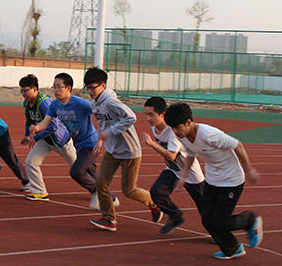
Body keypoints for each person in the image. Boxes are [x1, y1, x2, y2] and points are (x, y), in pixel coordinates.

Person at [164, 102, 263, 259]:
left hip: (231, 180)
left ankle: (249, 220)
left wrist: (249, 169)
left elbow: (238, 145)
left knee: (219, 221)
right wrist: (182, 178)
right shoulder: (181, 136)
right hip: (212, 179)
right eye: (172, 128)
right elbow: (190, 154)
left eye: (177, 127)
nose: (175, 131)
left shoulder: (209, 134)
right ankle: (233, 248)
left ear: (188, 122)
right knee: (207, 220)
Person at [83, 67, 162, 232]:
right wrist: (100, 139)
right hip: (112, 151)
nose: (90, 91)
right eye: (87, 87)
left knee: (129, 190)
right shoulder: (95, 104)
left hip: (129, 151)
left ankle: (154, 204)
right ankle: (109, 219)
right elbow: (103, 124)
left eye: (93, 87)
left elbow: (131, 117)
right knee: (100, 182)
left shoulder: (111, 102)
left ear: (103, 85)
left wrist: (109, 133)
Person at [30, 72, 118, 211]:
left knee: (76, 172)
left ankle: (97, 193)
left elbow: (100, 114)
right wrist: (36, 127)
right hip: (78, 145)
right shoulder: (54, 106)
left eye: (59, 87)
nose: (56, 90)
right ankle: (111, 198)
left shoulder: (80, 103)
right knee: (91, 175)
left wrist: (103, 136)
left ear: (68, 88)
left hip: (91, 143)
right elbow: (45, 123)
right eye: (54, 87)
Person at [141, 96, 205, 235]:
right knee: (157, 192)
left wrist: (152, 144)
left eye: (151, 114)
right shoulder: (155, 128)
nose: (148, 118)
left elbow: (171, 155)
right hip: (173, 170)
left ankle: (219, 233)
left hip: (191, 175)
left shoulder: (173, 131)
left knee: (206, 209)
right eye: (146, 114)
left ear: (162, 114)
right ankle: (175, 216)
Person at [19, 74, 77, 201]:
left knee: (78, 170)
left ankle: (99, 189)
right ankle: (40, 191)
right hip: (45, 139)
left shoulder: (45, 104)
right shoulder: (27, 103)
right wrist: (27, 135)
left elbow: (53, 127)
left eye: (26, 91)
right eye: (21, 91)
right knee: (31, 162)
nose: (23, 94)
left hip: (60, 140)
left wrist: (35, 138)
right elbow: (29, 121)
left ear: (35, 89)